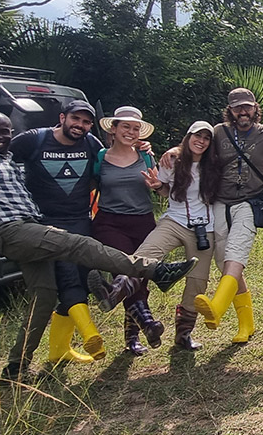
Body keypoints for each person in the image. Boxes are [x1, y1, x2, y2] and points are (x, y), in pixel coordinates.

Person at [0, 112, 196, 386]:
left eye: (4, 132)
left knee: (43, 298)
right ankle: (155, 269)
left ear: (11, 134)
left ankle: (14, 369)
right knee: (76, 243)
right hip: (11, 230)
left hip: (31, 227)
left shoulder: (10, 159)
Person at [0, 99, 119, 364]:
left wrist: (139, 148)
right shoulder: (33, 140)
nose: (81, 125)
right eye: (76, 119)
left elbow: (110, 162)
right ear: (62, 118)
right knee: (67, 279)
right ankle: (90, 334)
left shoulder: (90, 144)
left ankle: (58, 351)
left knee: (79, 278)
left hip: (80, 219)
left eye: (87, 122)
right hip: (43, 223)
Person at [91, 120, 220, 352]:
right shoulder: (172, 161)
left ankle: (184, 334)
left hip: (205, 228)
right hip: (174, 221)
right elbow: (165, 190)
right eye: (196, 136)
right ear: (187, 137)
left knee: (197, 281)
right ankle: (114, 292)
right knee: (145, 254)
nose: (200, 141)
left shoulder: (215, 165)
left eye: (206, 137)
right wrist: (158, 185)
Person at [193, 88, 263, 344]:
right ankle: (246, 326)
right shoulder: (218, 131)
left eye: (247, 107)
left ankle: (217, 307)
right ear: (230, 111)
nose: (243, 112)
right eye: (237, 108)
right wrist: (173, 153)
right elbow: (194, 146)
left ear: (255, 107)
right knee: (224, 262)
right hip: (219, 202)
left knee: (237, 252)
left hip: (249, 202)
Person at [89, 106, 165, 355]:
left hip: (143, 222)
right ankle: (147, 323)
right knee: (126, 270)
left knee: (137, 282)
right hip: (109, 222)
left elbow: (160, 187)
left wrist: (157, 186)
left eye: (135, 128)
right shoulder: (99, 158)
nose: (130, 132)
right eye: (125, 127)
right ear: (114, 128)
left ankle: (132, 340)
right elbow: (88, 186)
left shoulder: (146, 156)